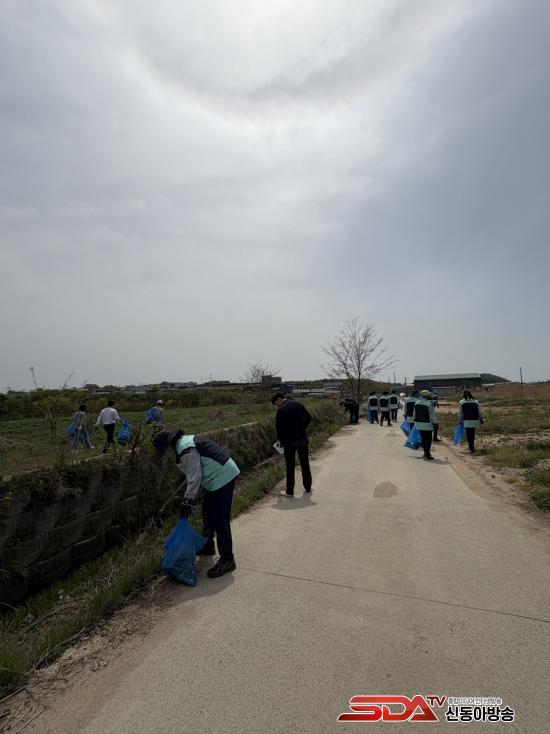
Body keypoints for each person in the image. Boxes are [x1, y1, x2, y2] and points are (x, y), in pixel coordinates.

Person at [153, 429, 240, 578]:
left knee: (220, 519)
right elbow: (193, 472)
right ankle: (208, 545)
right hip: (216, 477)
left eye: (164, 450)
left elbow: (195, 475)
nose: (166, 454)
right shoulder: (184, 444)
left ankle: (227, 559)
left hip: (222, 477)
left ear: (169, 445)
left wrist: (188, 499)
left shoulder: (185, 448)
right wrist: (188, 497)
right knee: (208, 511)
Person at [271, 392, 312, 497]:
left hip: (289, 442)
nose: (277, 406)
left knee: (290, 466)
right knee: (305, 463)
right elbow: (308, 417)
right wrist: (302, 428)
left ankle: (290, 491)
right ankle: (308, 487)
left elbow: (279, 428)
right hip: (302, 439)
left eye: (275, 403)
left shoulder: (281, 410)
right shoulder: (298, 404)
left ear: (279, 399)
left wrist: (280, 441)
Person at [413, 390, 436, 460]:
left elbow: (414, 413)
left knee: (423, 438)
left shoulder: (416, 402)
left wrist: (415, 420)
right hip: (427, 424)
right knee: (428, 439)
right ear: (426, 396)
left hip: (419, 423)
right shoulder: (428, 403)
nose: (429, 396)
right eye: (428, 395)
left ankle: (425, 453)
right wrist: (435, 422)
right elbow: (432, 414)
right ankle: (427, 454)